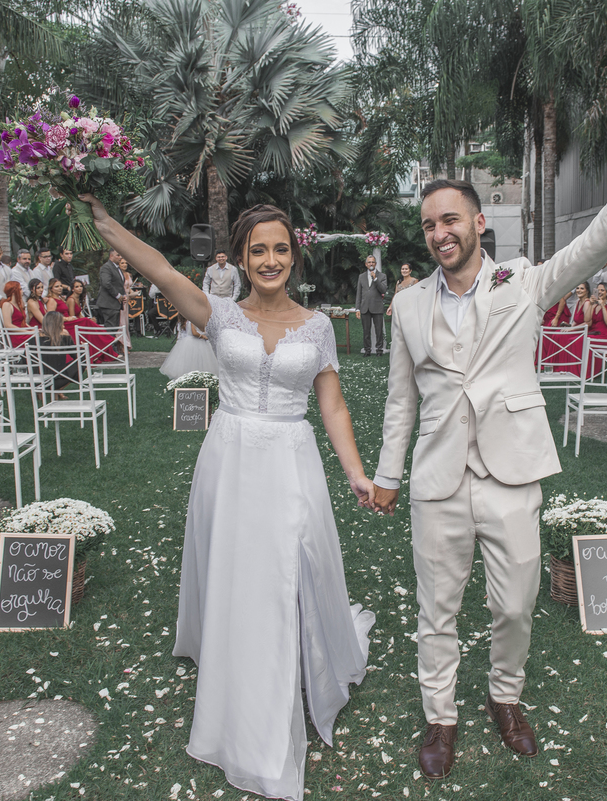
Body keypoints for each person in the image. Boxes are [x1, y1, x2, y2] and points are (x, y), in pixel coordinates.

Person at [370, 116, 607, 780]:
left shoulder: (525, 282)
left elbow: (596, 244)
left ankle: (503, 695)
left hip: (512, 470)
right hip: (438, 477)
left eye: (450, 219)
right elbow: (401, 400)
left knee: (513, 602)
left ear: (478, 222)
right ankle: (441, 716)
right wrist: (387, 474)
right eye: (429, 225)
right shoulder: (407, 306)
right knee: (437, 607)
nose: (439, 233)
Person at [81, 193, 376, 801]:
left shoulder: (318, 327)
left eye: (281, 249)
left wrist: (355, 471)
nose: (271, 259)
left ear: (295, 256)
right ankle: (236, 665)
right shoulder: (218, 313)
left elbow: (333, 404)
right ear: (242, 256)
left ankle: (288, 669)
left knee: (287, 566)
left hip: (292, 460)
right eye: (259, 249)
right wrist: (108, 223)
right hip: (231, 456)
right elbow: (160, 269)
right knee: (240, 570)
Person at [354, 255, 388, 355]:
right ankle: (367, 350)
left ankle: (379, 350)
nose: (371, 264)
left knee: (379, 331)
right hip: (365, 307)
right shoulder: (361, 276)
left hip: (377, 307)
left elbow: (383, 290)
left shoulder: (382, 276)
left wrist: (376, 279)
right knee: (366, 331)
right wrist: (357, 309)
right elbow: (359, 293)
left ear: (375, 264)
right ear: (366, 264)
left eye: (373, 262)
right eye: (369, 262)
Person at [0, 280, 37, 346]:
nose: (22, 291)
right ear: (13, 292)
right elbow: (8, 325)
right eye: (20, 289)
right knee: (39, 339)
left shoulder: (19, 304)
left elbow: (23, 322)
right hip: (17, 335)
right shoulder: (7, 304)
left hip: (24, 332)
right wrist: (26, 331)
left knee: (43, 335)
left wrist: (32, 329)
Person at [95, 249, 125, 329]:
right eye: (118, 255)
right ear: (111, 256)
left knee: (115, 327)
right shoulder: (107, 267)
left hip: (115, 304)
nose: (120, 257)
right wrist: (118, 295)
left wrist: (123, 296)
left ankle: (112, 341)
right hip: (109, 303)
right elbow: (106, 283)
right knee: (111, 327)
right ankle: (109, 342)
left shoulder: (117, 268)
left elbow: (119, 284)